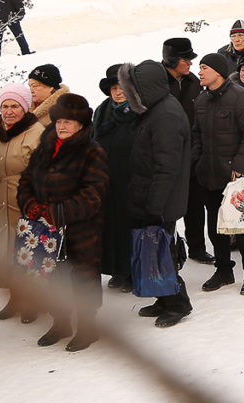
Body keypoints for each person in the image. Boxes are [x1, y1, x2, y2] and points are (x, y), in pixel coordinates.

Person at [17, 93, 109, 351]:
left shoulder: (93, 151)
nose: (62, 126)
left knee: (83, 276)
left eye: (69, 122)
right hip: (48, 231)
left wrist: (57, 212)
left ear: (81, 124)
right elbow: (26, 180)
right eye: (59, 120)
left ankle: (88, 327)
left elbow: (94, 194)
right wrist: (31, 205)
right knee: (54, 276)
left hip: (81, 229)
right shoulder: (45, 147)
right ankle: (61, 322)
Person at [117, 61, 194, 328]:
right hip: (150, 196)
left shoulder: (166, 116)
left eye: (132, 91)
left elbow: (166, 168)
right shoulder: (155, 110)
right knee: (156, 250)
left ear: (144, 89)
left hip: (161, 200)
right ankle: (163, 297)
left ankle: (178, 303)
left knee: (163, 251)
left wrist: (154, 206)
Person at [192, 53, 244, 295]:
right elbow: (196, 135)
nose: (199, 72)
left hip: (236, 176)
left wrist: (238, 167)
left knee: (243, 228)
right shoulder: (202, 100)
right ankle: (224, 270)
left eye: (204, 68)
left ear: (218, 72)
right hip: (209, 175)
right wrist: (197, 161)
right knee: (216, 227)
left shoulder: (241, 98)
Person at [0, 83, 45, 323]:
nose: (9, 111)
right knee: (5, 252)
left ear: (24, 107)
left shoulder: (37, 132)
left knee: (26, 252)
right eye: (4, 106)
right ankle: (15, 297)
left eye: (14, 106)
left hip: (24, 200)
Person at [162, 38, 214, 266]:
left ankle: (197, 248)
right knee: (166, 207)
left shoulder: (194, 82)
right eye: (186, 59)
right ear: (172, 60)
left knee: (195, 204)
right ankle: (165, 252)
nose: (191, 64)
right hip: (166, 155)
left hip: (191, 153)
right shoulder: (157, 82)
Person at [92, 64, 140, 294]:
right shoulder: (102, 110)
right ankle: (117, 271)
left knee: (129, 227)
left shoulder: (139, 110)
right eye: (113, 88)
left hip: (131, 179)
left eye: (121, 87)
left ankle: (132, 272)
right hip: (106, 180)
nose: (118, 92)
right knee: (110, 228)